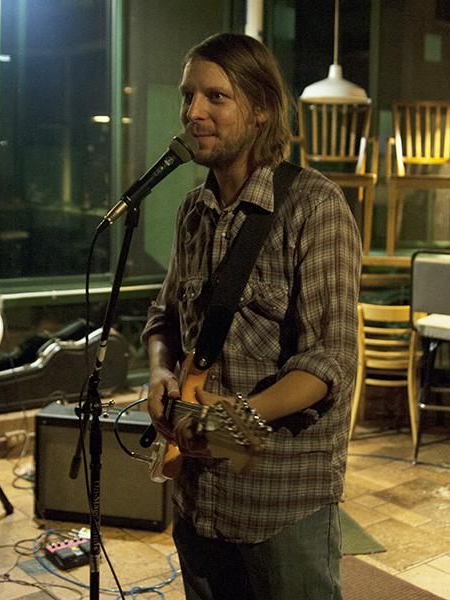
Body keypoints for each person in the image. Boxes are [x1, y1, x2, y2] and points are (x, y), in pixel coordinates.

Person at [142, 32, 362, 600]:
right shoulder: (194, 210)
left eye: (216, 97)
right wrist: (160, 374)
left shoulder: (315, 207)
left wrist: (234, 419)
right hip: (199, 499)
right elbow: (163, 318)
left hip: (280, 501)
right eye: (188, 96)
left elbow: (327, 364)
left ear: (261, 109)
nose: (193, 112)